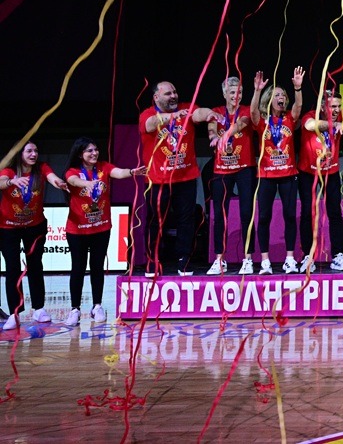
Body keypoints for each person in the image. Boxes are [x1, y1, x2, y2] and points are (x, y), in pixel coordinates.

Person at [62, 138, 145, 326]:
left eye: (96, 149)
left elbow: (119, 172)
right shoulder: (72, 171)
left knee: (97, 267)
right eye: (89, 151)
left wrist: (132, 172)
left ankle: (97, 306)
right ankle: (75, 309)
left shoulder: (103, 167)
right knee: (78, 268)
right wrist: (86, 184)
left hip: (101, 227)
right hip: (77, 229)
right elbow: (72, 180)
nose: (94, 153)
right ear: (80, 154)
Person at [139, 81, 219, 275]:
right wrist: (173, 117)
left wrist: (209, 114)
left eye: (175, 92)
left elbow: (198, 114)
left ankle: (184, 260)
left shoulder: (186, 108)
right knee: (156, 221)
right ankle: (153, 260)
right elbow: (150, 125)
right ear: (156, 97)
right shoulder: (147, 114)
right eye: (168, 93)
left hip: (185, 178)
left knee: (186, 220)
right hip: (158, 180)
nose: (173, 96)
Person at [0, 141, 67, 330]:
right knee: (13, 269)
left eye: (36, 150)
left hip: (35, 226)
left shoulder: (41, 168)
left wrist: (59, 183)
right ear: (20, 153)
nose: (33, 154)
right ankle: (14, 313)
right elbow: (1, 181)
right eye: (29, 151)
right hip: (8, 228)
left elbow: (52, 177)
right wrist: (11, 182)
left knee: (35, 265)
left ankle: (39, 309)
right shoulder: (9, 171)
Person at [249, 68, 305, 274]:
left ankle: (289, 258)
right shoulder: (262, 121)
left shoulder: (290, 117)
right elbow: (252, 112)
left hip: (288, 175)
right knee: (264, 217)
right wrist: (257, 91)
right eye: (276, 95)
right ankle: (265, 260)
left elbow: (299, 106)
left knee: (290, 215)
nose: (281, 98)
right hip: (266, 176)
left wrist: (297, 88)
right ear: (269, 99)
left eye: (283, 95)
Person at [205, 76, 256, 275]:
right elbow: (211, 128)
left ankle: (248, 259)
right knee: (220, 215)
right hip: (221, 169)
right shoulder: (216, 112)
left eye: (239, 92)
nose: (236, 96)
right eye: (232, 92)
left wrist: (225, 135)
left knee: (246, 213)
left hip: (245, 168)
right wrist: (213, 137)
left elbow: (241, 125)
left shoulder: (246, 111)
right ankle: (220, 259)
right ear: (224, 93)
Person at [298, 89, 343, 272]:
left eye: (339, 106)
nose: (336, 110)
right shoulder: (310, 116)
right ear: (323, 106)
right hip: (308, 172)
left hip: (330, 171)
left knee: (335, 213)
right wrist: (335, 124)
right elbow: (311, 125)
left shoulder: (341, 117)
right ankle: (308, 257)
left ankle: (338, 255)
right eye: (333, 106)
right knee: (307, 213)